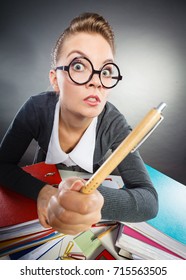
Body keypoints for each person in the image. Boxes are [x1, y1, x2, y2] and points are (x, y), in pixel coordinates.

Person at [0, 12, 158, 235]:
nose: (96, 81)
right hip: (42, 197)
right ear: (55, 79)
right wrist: (42, 192)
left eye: (106, 71)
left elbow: (149, 200)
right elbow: (2, 165)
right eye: (78, 66)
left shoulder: (114, 123)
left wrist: (98, 200)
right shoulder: (36, 109)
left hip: (90, 209)